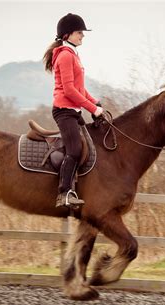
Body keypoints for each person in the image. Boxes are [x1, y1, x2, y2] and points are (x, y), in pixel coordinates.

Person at [43, 13, 103, 208]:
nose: (82, 36)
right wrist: (92, 108)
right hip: (64, 110)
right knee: (75, 150)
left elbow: (79, 88)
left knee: (89, 144)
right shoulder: (66, 56)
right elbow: (69, 90)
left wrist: (95, 103)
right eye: (80, 33)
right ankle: (65, 193)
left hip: (73, 111)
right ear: (68, 35)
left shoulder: (73, 54)